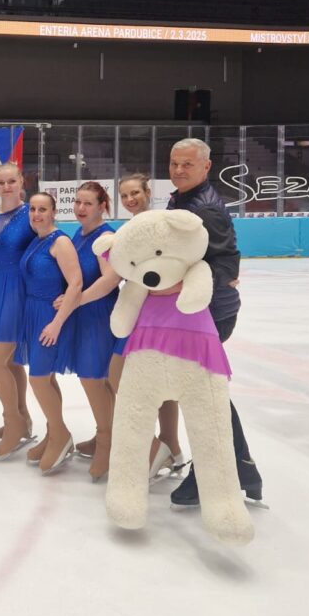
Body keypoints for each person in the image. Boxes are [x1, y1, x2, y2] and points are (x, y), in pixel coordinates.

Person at [166, 139, 263, 506]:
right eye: (174, 163)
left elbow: (226, 265)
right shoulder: (182, 199)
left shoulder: (205, 207)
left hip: (210, 314)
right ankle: (243, 468)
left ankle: (214, 472)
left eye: (187, 164)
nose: (178, 170)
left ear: (206, 167)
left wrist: (178, 286)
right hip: (196, 311)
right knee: (205, 393)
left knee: (204, 395)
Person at [73, 173, 187, 478]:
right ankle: (167, 446)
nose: (130, 199)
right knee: (147, 380)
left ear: (148, 191)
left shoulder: (162, 224)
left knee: (134, 379)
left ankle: (159, 446)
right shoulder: (127, 231)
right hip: (137, 311)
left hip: (162, 311)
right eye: (125, 195)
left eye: (135, 193)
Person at [16, 192, 82, 474]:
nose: (36, 214)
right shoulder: (37, 239)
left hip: (50, 316)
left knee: (39, 378)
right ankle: (53, 433)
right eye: (32, 209)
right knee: (47, 378)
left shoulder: (60, 242)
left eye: (42, 209)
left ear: (54, 212)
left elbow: (76, 283)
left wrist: (56, 322)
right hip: (33, 313)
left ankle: (61, 434)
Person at [63, 181, 120, 481]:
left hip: (99, 314)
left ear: (102, 206)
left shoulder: (106, 237)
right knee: (95, 378)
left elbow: (111, 279)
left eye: (88, 203)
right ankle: (104, 434)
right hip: (84, 313)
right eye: (78, 202)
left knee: (94, 378)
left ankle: (108, 443)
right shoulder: (79, 233)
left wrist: (77, 300)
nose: (81, 208)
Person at [0, 162, 35, 459]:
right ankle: (22, 417)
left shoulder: (31, 214)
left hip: (17, 288)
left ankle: (13, 422)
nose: (6, 187)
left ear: (21, 181)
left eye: (11, 181)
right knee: (11, 361)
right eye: (1, 182)